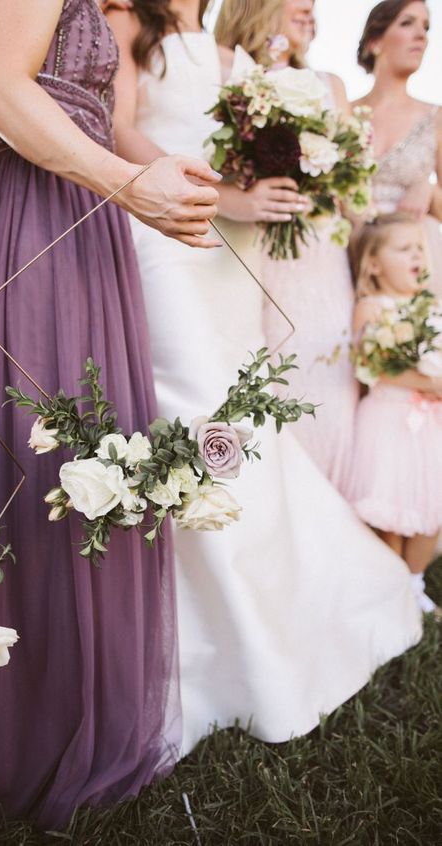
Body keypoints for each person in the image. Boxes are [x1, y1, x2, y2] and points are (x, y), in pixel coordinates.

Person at [107, 0, 422, 754]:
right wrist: (227, 197)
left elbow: (244, 147)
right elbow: (117, 132)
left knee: (244, 427)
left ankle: (279, 611)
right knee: (197, 415)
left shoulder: (227, 58)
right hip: (167, 237)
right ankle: (200, 636)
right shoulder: (130, 27)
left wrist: (279, 172)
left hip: (232, 254)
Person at [0, 0, 221, 830]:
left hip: (97, 224)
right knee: (42, 459)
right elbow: (0, 90)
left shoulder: (116, 8)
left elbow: (114, 122)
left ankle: (95, 713)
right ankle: (28, 729)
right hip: (38, 214)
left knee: (102, 465)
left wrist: (188, 178)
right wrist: (132, 185)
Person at [216, 0, 360, 490]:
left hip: (322, 251)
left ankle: (336, 510)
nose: (310, 10)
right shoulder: (231, 78)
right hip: (256, 247)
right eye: (300, 1)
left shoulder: (330, 84)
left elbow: (350, 185)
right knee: (275, 376)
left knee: (330, 376)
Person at [344, 214, 442, 616]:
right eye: (404, 248)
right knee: (391, 507)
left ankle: (414, 582)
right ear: (373, 264)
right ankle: (393, 589)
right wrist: (429, 380)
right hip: (388, 421)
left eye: (419, 247)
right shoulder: (370, 307)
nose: (417, 254)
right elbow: (369, 366)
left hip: (428, 421)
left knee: (431, 508)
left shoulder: (429, 305)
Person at [354, 0, 442, 298]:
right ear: (375, 41)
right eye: (408, 23)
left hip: (417, 260)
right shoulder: (344, 113)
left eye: (426, 27)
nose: (422, 35)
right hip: (354, 254)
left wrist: (429, 191)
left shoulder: (436, 118)